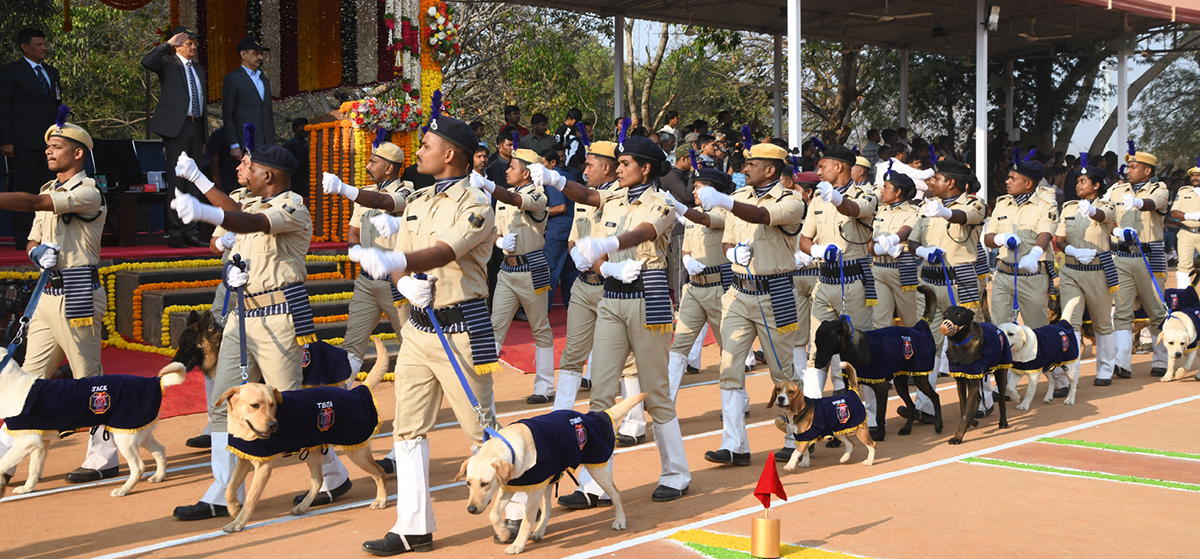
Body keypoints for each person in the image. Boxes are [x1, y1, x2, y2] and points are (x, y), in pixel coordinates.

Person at [170, 145, 352, 519]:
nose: (244, 171)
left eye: (250, 167)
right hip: (241, 315)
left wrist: (204, 211)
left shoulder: (291, 207)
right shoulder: (247, 204)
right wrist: (199, 184)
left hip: (278, 316)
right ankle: (223, 491)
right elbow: (237, 215)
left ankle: (333, 475)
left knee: (291, 405)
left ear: (268, 176)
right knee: (226, 403)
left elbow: (253, 223)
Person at [354, 115, 499, 555]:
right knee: (406, 430)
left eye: (427, 144)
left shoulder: (475, 204)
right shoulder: (417, 198)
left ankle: (512, 509)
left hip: (460, 329)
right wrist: (401, 280)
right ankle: (412, 525)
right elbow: (404, 253)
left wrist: (398, 267)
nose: (418, 152)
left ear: (450, 154)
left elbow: (442, 251)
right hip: (419, 328)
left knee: (482, 431)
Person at [548, 135, 691, 502]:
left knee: (656, 390)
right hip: (613, 295)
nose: (619, 168)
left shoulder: (661, 203)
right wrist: (556, 180)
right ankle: (596, 483)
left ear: (645, 168)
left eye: (626, 163)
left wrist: (608, 246)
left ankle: (676, 472)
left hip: (649, 294)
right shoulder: (612, 196)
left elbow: (644, 232)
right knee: (601, 393)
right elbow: (586, 195)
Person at [0, 118, 117, 483]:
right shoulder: (49, 186)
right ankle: (5, 461)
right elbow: (33, 239)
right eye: (48, 146)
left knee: (88, 377)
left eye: (57, 146)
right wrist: (37, 255)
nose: (49, 151)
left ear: (78, 153)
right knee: (29, 379)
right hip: (47, 292)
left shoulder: (89, 191)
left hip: (79, 290)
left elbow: (37, 203)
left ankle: (104, 456)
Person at [695, 143, 804, 467]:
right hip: (739, 292)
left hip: (776, 292)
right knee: (729, 367)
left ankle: (797, 436)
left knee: (782, 372)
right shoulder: (739, 198)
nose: (745, 169)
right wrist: (731, 253)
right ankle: (734, 444)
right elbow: (729, 238)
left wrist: (724, 201)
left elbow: (761, 216)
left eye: (752, 164)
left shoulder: (791, 200)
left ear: (770, 169)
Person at [901, 159, 987, 422]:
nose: (930, 182)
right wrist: (922, 250)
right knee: (928, 344)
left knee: (969, 342)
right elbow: (913, 240)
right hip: (929, 281)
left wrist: (945, 213)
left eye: (935, 178)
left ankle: (982, 400)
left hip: (959, 281)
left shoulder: (974, 202)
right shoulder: (927, 208)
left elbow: (965, 217)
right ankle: (925, 404)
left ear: (950, 182)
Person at [188, 127, 257, 450]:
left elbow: (242, 216)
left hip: (257, 292)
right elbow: (215, 242)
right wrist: (223, 240)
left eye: (245, 163)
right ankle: (214, 417)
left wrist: (200, 183)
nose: (239, 168)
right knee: (210, 351)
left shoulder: (275, 202)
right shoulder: (235, 197)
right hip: (227, 289)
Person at [322, 141, 414, 378]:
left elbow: (385, 203)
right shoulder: (366, 193)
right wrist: (355, 249)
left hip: (396, 283)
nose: (368, 165)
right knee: (353, 343)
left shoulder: (407, 191)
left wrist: (344, 188)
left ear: (389, 168)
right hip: (366, 281)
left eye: (374, 162)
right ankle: (347, 391)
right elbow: (353, 230)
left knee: (413, 342)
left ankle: (422, 396)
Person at [474, 148, 555, 404]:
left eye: (512, 167)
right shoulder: (501, 198)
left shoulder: (538, 195)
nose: (507, 171)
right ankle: (481, 387)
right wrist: (499, 242)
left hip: (532, 269)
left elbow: (517, 201)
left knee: (540, 327)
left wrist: (487, 184)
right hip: (508, 269)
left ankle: (545, 386)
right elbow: (495, 231)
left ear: (527, 172)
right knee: (495, 326)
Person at [798, 145, 878, 397]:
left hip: (853, 280)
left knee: (859, 348)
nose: (818, 171)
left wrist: (836, 198)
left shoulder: (866, 194)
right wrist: (817, 251)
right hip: (824, 280)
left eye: (822, 166)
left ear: (840, 167)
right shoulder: (818, 200)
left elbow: (853, 210)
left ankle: (868, 415)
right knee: (817, 348)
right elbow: (804, 239)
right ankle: (812, 412)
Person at [986, 159, 1063, 404]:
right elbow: (987, 236)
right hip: (1003, 273)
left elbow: (1045, 233)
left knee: (1039, 329)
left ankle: (1058, 376)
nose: (1007, 181)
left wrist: (1035, 253)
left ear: (1028, 183)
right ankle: (1004, 384)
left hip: (1031, 274)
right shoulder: (1002, 203)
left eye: (1012, 178)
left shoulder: (1045, 203)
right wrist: (999, 238)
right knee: (1001, 329)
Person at [667, 167, 732, 401]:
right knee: (679, 346)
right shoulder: (692, 213)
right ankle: (665, 403)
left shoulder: (725, 212)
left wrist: (678, 207)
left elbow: (706, 219)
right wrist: (685, 258)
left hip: (719, 288)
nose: (693, 191)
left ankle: (736, 400)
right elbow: (686, 246)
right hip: (694, 288)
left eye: (698, 187)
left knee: (728, 349)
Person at [142, 26, 210, 248]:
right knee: (177, 181)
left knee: (194, 181)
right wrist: (168, 44)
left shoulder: (198, 68)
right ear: (178, 43)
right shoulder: (167, 63)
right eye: (188, 42)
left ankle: (191, 230)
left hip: (196, 127)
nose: (193, 46)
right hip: (176, 129)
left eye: (194, 42)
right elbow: (147, 61)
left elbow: (202, 100)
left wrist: (205, 137)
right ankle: (176, 232)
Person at [1109, 150, 1170, 378]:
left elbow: (1156, 203)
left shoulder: (1159, 188)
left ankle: (1161, 360)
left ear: (1147, 170)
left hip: (1149, 254)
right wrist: (1115, 229)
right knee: (1122, 311)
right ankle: (1122, 362)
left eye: (1134, 167)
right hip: (1122, 255)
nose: (1129, 170)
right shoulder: (1116, 190)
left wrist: (1137, 202)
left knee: (1156, 309)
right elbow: (1109, 217)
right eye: (1128, 166)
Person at [0, 28, 62, 250]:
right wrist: (6, 140)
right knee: (25, 187)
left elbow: (55, 103)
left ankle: (47, 234)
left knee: (47, 188)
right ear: (25, 47)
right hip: (24, 141)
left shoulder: (51, 72)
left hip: (50, 142)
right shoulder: (11, 72)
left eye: (44, 44)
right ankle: (25, 237)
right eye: (38, 45)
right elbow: (3, 106)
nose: (44, 48)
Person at [1056, 164, 1118, 386]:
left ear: (1097, 185)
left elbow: (1104, 216)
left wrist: (1092, 211)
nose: (1078, 185)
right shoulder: (1069, 208)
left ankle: (1105, 369)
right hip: (1072, 271)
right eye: (1077, 181)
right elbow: (1060, 239)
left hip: (1098, 271)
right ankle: (1070, 372)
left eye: (1083, 181)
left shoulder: (1108, 205)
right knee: (1070, 323)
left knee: (1101, 323)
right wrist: (1072, 251)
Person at [868, 172, 921, 329]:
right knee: (879, 320)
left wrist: (892, 240)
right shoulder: (878, 211)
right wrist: (880, 249)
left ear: (898, 191)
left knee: (911, 319)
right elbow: (867, 240)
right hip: (878, 268)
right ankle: (885, 352)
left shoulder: (913, 211)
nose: (882, 191)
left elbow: (906, 230)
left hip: (903, 268)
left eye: (886, 187)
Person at [222, 37, 274, 157]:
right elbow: (228, 114)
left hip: (267, 142)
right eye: (256, 53)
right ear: (243, 54)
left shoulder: (264, 80)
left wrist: (271, 141)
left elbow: (268, 113)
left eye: (261, 54)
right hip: (246, 140)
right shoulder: (233, 78)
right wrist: (234, 144)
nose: (260, 57)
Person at [541, 148, 575, 310]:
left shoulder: (553, 179)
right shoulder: (568, 176)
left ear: (552, 163)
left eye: (542, 164)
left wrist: (540, 213)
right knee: (570, 273)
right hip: (571, 230)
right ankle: (574, 308)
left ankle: (542, 309)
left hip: (557, 231)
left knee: (550, 271)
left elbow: (560, 207)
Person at [1169, 164, 1200, 289]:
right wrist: (1192, 216)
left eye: (1198, 175)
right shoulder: (1184, 191)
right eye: (1193, 175)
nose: (1195, 178)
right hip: (1186, 232)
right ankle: (1184, 298)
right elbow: (1174, 212)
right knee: (1183, 267)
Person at [206, 125, 240, 194]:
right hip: (226, 185)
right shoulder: (218, 135)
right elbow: (213, 162)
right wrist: (219, 188)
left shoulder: (250, 132)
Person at [281, 117, 310, 192]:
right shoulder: (289, 145)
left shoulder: (308, 144)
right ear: (295, 129)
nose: (306, 129)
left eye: (307, 126)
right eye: (303, 126)